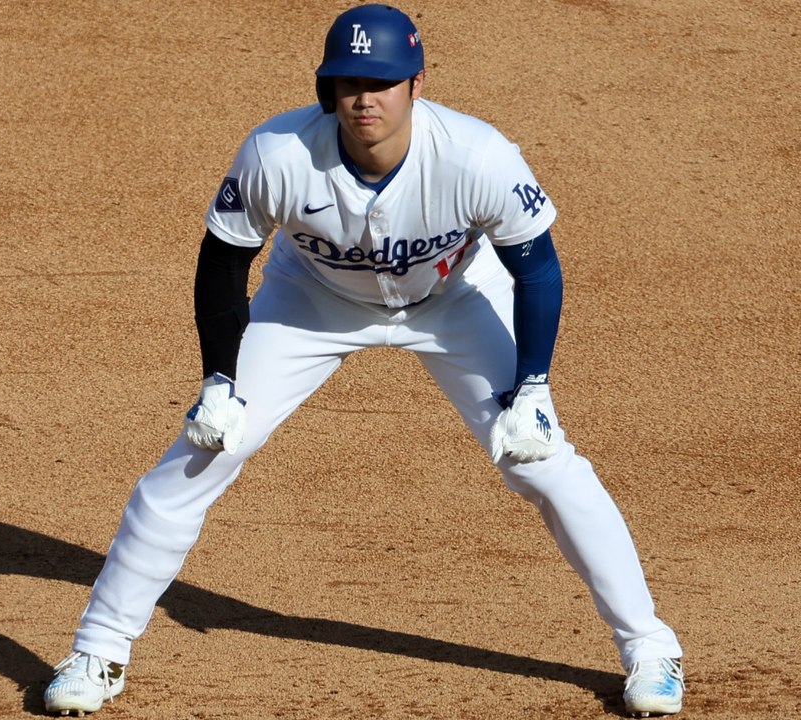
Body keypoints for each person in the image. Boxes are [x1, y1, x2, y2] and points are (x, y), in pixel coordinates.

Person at [42, 4, 685, 717]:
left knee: (540, 461)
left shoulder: (477, 157)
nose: (364, 98)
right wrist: (219, 380)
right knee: (204, 453)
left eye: (380, 82)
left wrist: (532, 385)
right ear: (328, 89)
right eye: (348, 82)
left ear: (415, 83)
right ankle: (98, 649)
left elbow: (537, 271)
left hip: (455, 302)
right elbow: (222, 264)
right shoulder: (277, 153)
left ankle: (651, 649)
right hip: (310, 302)